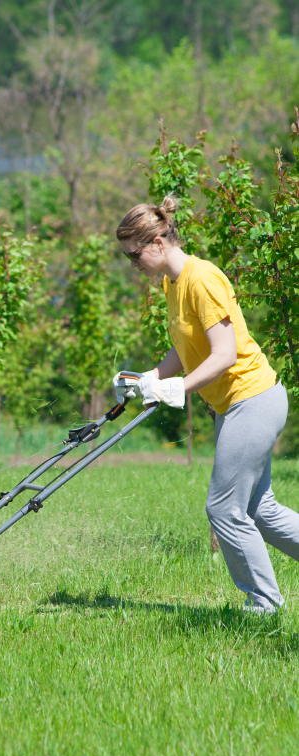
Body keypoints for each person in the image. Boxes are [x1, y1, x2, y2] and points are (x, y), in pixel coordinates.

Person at [113, 195, 299, 612]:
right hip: (233, 406)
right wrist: (148, 379)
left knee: (224, 508)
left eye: (134, 254)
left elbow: (223, 354)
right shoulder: (172, 284)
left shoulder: (202, 279)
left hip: (253, 398)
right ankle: (264, 599)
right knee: (259, 511)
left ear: (159, 244)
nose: (133, 264)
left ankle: (263, 605)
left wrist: (179, 389)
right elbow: (185, 349)